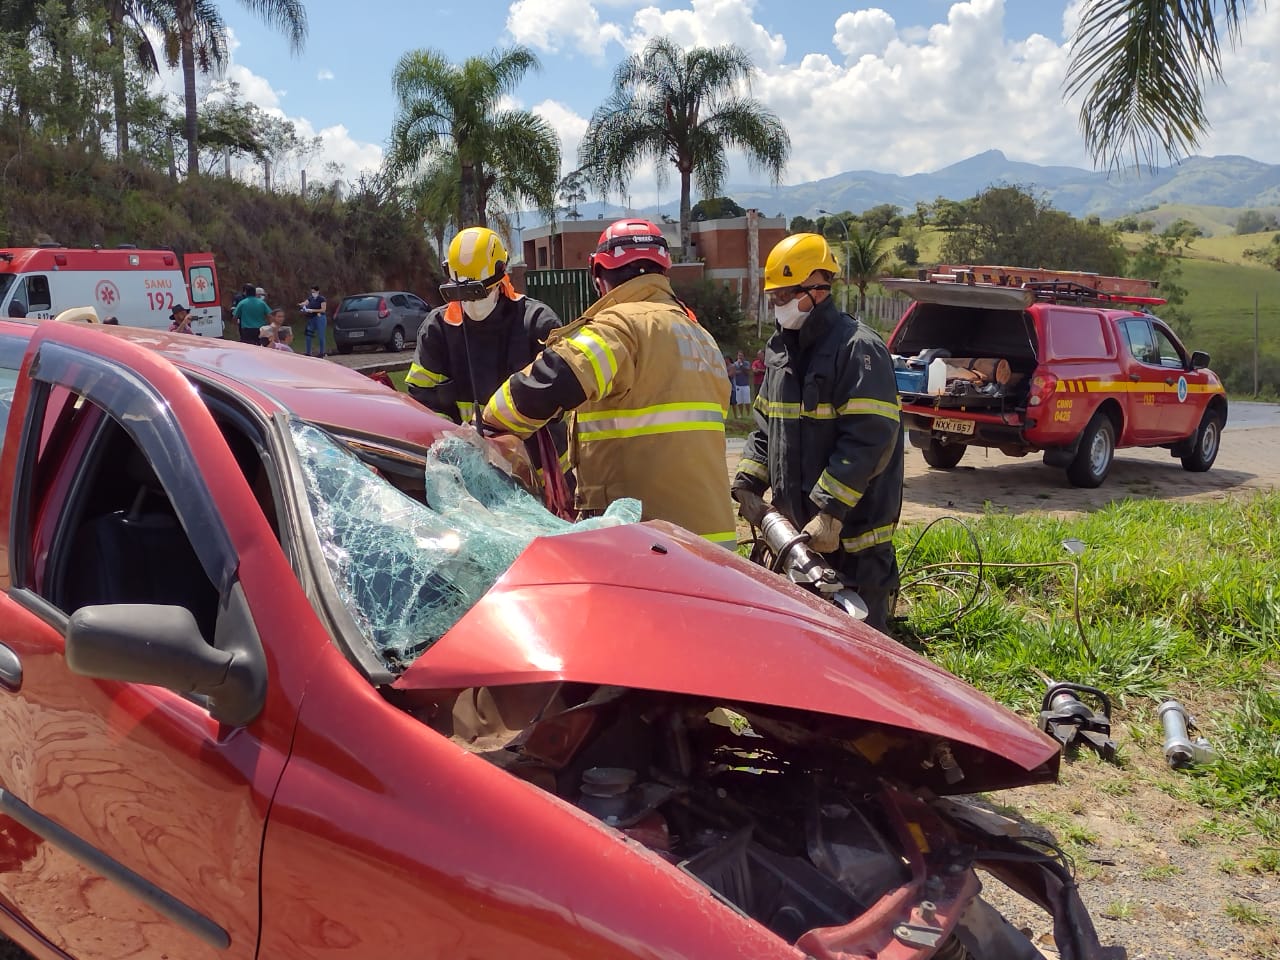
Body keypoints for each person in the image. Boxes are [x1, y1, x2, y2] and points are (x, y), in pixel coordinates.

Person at [481, 218, 737, 546]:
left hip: (650, 544)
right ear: (663, 271)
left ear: (599, 275)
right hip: (716, 546)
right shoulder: (701, 338)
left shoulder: (620, 326)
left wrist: (488, 423)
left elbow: (553, 380)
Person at [732, 233, 904, 631]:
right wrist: (747, 483)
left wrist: (831, 512)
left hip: (854, 546)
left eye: (784, 295)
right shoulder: (781, 352)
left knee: (861, 649)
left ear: (817, 289)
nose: (778, 305)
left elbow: (869, 440)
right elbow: (766, 426)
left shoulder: (857, 349)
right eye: (774, 297)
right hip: (798, 542)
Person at [406, 226, 567, 474]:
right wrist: (454, 437)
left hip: (537, 469)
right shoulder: (437, 330)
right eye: (463, 294)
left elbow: (558, 400)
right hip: (468, 469)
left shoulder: (537, 323)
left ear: (501, 276)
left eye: (479, 292)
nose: (472, 304)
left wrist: (501, 437)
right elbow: (422, 402)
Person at [299, 284, 328, 358]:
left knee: (321, 335)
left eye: (314, 292)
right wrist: (302, 305)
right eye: (312, 292)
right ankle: (308, 352)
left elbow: (323, 309)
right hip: (311, 318)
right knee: (308, 335)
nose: (313, 293)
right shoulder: (310, 298)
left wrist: (312, 310)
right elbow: (305, 302)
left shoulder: (322, 299)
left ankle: (322, 352)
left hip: (320, 317)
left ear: (318, 291)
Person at [729, 349, 752, 418]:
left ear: (744, 356)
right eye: (739, 355)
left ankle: (748, 414)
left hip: (745, 385)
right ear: (737, 356)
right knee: (739, 401)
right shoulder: (735, 364)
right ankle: (741, 414)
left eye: (741, 355)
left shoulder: (747, 363)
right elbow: (734, 372)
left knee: (747, 401)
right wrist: (739, 371)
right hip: (737, 385)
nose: (740, 357)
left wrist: (741, 365)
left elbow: (747, 372)